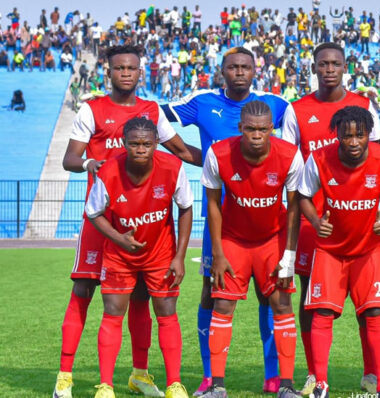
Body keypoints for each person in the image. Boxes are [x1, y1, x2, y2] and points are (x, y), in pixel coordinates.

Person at [55, 44, 200, 398]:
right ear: (109, 71)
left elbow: (181, 151)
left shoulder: (151, 111)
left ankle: (139, 373)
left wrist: (227, 162)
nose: (125, 73)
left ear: (140, 72)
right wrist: (92, 164)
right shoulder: (93, 109)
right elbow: (70, 158)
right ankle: (65, 375)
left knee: (139, 297)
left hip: (145, 219)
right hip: (102, 218)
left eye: (131, 68)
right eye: (119, 67)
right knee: (83, 291)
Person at [162, 46, 290, 397]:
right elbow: (155, 117)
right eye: (232, 67)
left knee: (271, 296)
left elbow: (293, 148)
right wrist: (196, 158)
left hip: (265, 222)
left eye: (245, 67)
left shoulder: (276, 105)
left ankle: (274, 375)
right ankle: (209, 374)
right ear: (222, 71)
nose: (238, 72)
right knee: (211, 292)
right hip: (221, 222)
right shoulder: (203, 102)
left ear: (255, 70)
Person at [281, 42, 380, 395]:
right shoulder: (297, 110)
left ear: (345, 66)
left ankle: (372, 374)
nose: (328, 69)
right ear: (314, 67)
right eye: (322, 63)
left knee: (367, 303)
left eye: (335, 63)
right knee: (313, 300)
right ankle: (314, 374)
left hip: (361, 221)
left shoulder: (364, 105)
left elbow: (379, 160)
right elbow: (291, 168)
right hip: (315, 225)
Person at [199, 101, 304, 398]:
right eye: (250, 129)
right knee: (222, 305)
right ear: (240, 128)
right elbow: (213, 205)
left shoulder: (289, 155)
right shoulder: (218, 154)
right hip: (234, 241)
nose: (256, 135)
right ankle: (217, 386)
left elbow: (294, 207)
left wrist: (289, 256)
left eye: (262, 129)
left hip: (273, 239)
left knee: (281, 304)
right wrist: (217, 254)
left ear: (272, 128)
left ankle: (285, 385)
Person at [86, 117, 193, 398]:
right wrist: (118, 237)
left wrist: (179, 257)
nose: (141, 149)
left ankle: (174, 384)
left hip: (161, 254)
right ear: (124, 144)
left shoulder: (173, 167)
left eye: (147, 144)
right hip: (119, 256)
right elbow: (94, 212)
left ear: (157, 143)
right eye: (134, 144)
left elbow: (185, 208)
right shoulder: (108, 172)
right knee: (112, 314)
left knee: (167, 314)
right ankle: (106, 386)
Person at [298, 106, 380, 398]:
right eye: (347, 136)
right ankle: (320, 384)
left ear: (369, 134)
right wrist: (316, 222)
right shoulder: (319, 159)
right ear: (338, 136)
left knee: (376, 312)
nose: (354, 142)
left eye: (360, 135)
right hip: (330, 252)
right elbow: (304, 196)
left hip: (367, 250)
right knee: (322, 312)